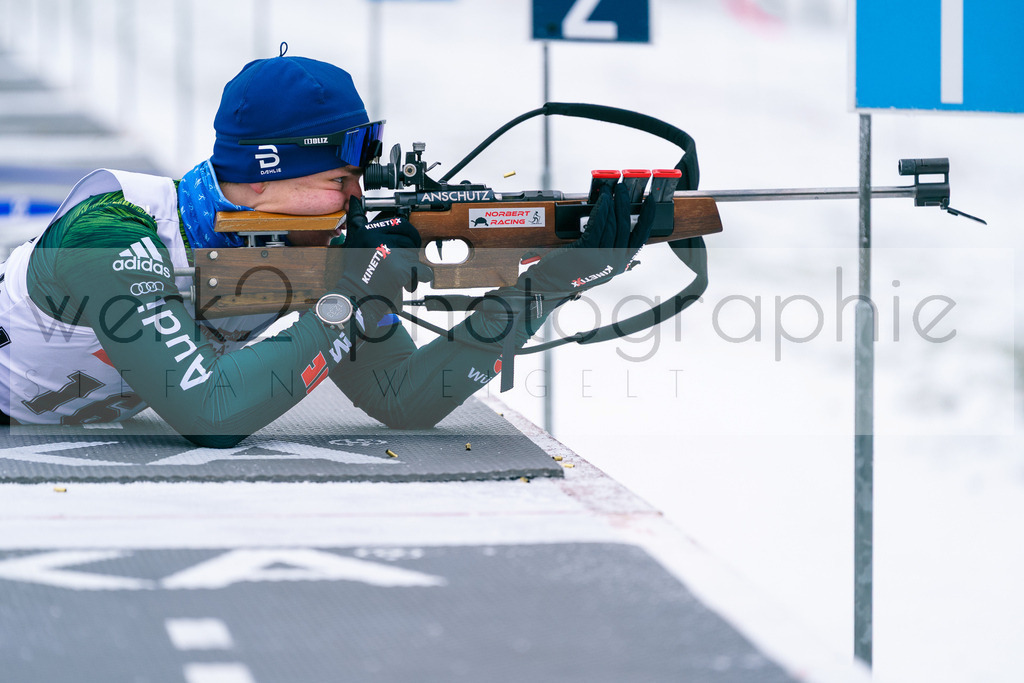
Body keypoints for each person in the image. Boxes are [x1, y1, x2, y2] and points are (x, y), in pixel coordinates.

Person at [0, 51, 652, 447]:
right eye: (338, 181)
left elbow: (405, 397)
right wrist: (347, 298)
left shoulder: (303, 247)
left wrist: (552, 282)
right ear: (261, 175)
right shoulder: (113, 233)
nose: (355, 201)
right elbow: (210, 412)